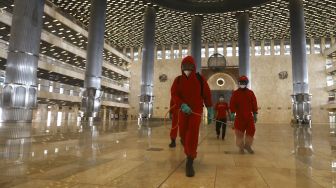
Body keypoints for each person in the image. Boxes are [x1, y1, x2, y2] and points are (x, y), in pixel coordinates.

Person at [171, 55, 213, 177]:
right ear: (181, 67)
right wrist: (181, 104)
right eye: (184, 66)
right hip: (183, 111)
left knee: (193, 132)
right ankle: (186, 145)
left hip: (196, 111)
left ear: (194, 67)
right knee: (183, 134)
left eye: (190, 66)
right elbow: (174, 94)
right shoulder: (177, 80)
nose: (187, 69)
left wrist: (209, 109)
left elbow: (207, 94)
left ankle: (190, 160)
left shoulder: (200, 79)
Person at [229, 76, 258, 154]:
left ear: (246, 83)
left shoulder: (250, 93)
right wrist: (232, 112)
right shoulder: (235, 93)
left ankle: (248, 146)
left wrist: (255, 113)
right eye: (241, 83)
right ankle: (241, 148)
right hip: (239, 117)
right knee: (239, 133)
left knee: (251, 131)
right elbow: (232, 103)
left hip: (249, 116)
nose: (242, 84)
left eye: (244, 83)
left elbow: (254, 103)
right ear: (239, 83)